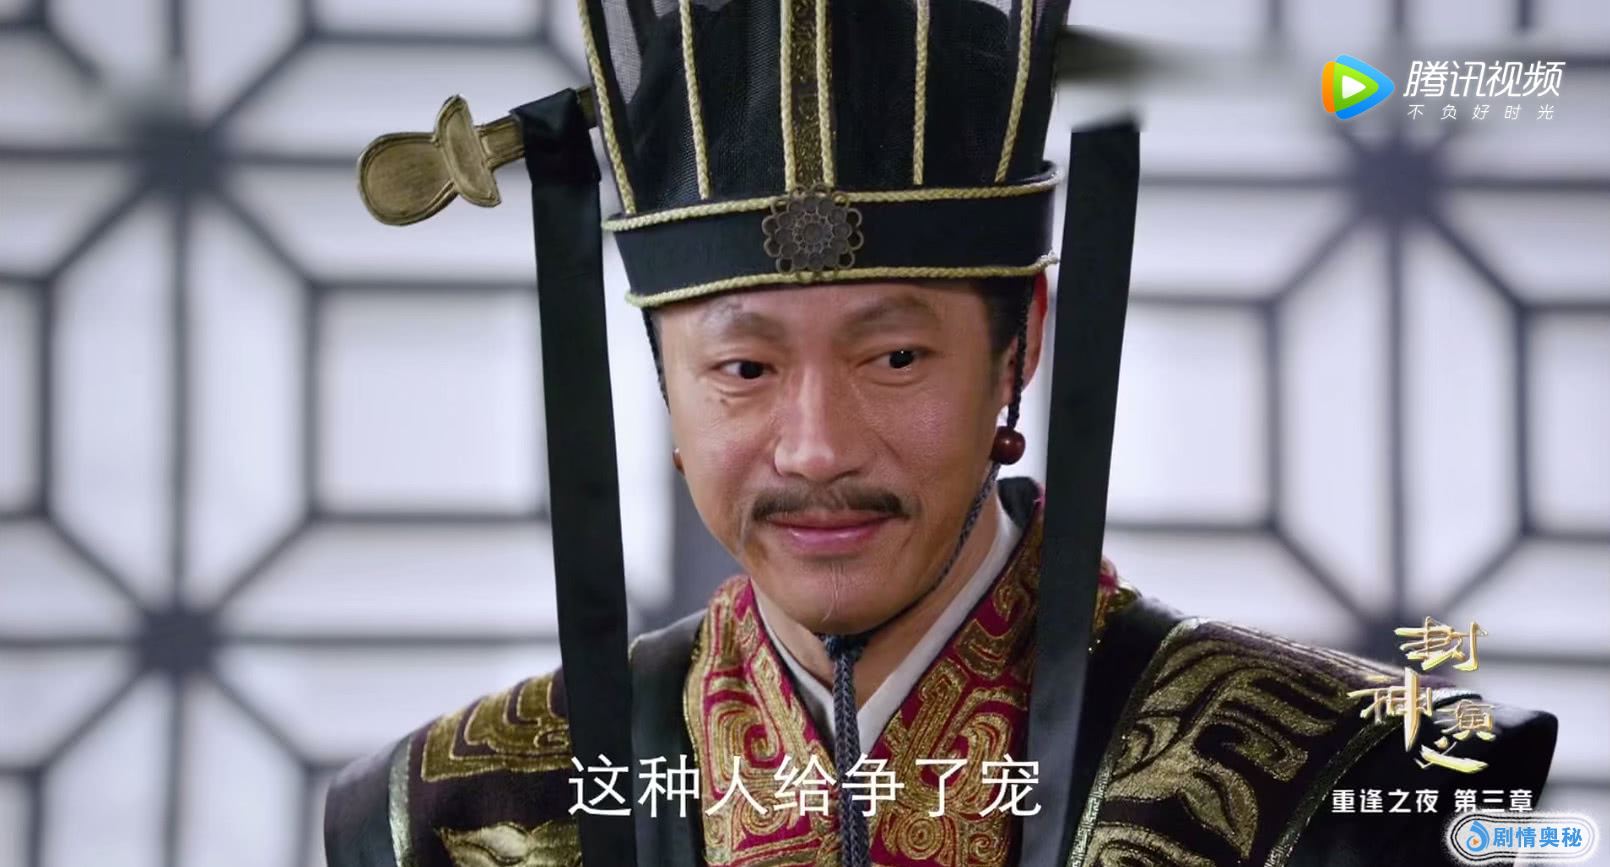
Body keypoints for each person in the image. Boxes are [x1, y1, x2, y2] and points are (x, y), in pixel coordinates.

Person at [326, 1, 1556, 865]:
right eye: (744, 368)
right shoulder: (447, 818)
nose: (816, 448)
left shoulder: (1348, 783)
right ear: (665, 385)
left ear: (1019, 344)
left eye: (895, 357)